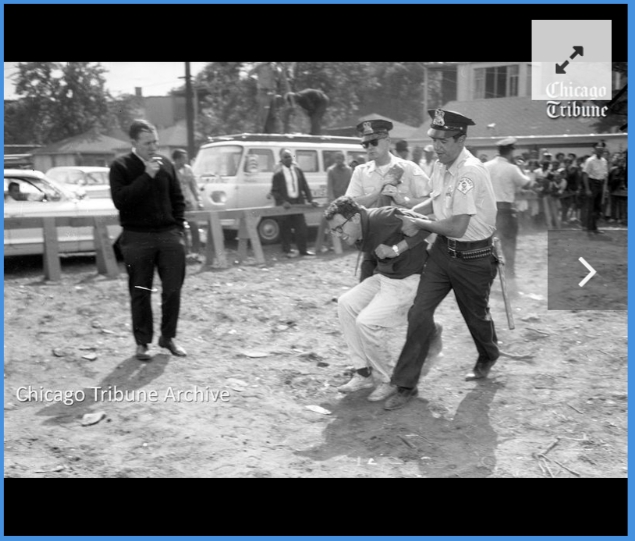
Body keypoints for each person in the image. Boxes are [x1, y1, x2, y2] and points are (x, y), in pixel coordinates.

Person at [384, 108, 499, 411]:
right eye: (434, 139)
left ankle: (488, 354)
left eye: (443, 141)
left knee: (475, 316)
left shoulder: (470, 172)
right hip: (442, 252)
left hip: (474, 256)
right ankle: (405, 384)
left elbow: (458, 226)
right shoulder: (439, 165)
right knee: (419, 312)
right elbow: (435, 203)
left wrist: (418, 223)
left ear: (461, 140)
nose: (436, 146)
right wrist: (411, 212)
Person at [325, 196, 443, 402]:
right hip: (386, 277)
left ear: (355, 218)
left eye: (339, 228)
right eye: (334, 231)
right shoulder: (359, 230)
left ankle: (387, 380)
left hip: (410, 278)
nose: (338, 234)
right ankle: (363, 373)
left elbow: (428, 225)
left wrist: (397, 248)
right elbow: (369, 261)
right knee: (346, 303)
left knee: (366, 322)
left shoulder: (384, 217)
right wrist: (365, 292)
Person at [109, 119, 187, 360]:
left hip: (168, 236)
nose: (153, 148)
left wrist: (178, 229)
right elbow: (121, 200)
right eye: (147, 143)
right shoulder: (120, 166)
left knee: (172, 289)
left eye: (155, 142)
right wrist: (146, 176)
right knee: (141, 290)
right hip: (137, 237)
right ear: (133, 142)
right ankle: (142, 343)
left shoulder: (166, 164)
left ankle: (168, 337)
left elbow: (177, 198)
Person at [344, 119, 431, 282]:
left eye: (374, 142)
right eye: (365, 144)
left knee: (406, 292)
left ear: (387, 141)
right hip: (373, 243)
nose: (370, 148)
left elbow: (430, 201)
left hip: (404, 243)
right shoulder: (361, 172)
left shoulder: (408, 168)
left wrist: (403, 200)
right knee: (366, 289)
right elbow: (350, 206)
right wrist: (377, 193)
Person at [484, 137, 533, 282]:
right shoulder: (512, 168)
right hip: (505, 210)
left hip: (488, 211)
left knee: (488, 244)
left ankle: (490, 274)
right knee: (509, 243)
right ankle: (510, 275)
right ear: (510, 151)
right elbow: (527, 184)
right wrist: (522, 168)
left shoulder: (485, 166)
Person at [270, 148, 319, 257]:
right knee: (285, 229)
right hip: (286, 205)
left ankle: (303, 250)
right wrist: (283, 202)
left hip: (298, 203)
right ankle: (287, 251)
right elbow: (274, 191)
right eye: (285, 157)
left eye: (290, 156)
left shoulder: (298, 171)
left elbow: (305, 187)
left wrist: (311, 200)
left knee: (301, 228)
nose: (288, 159)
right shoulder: (278, 174)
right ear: (281, 159)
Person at [172, 149, 204, 261]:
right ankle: (185, 252)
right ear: (176, 159)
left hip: (189, 202)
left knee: (194, 226)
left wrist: (199, 200)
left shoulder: (188, 169)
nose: (185, 160)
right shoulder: (170, 170)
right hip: (176, 204)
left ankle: (196, 252)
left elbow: (194, 185)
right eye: (183, 158)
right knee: (180, 228)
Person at [320, 151, 353, 251]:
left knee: (346, 222)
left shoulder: (349, 170)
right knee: (333, 223)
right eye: (337, 159)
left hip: (345, 200)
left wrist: (349, 199)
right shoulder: (331, 170)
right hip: (334, 200)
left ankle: (347, 243)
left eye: (340, 158)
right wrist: (332, 201)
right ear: (335, 160)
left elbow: (350, 186)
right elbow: (329, 187)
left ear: (343, 159)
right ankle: (331, 244)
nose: (339, 161)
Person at [581, 141, 609, 236]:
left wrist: (605, 188)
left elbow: (605, 175)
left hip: (601, 184)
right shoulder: (590, 160)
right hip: (592, 184)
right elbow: (585, 175)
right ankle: (589, 228)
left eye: (602, 149)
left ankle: (594, 227)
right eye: (598, 149)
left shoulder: (604, 161)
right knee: (590, 207)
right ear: (595, 150)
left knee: (597, 207)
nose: (600, 151)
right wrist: (587, 189)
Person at [248, 62, 280, 133]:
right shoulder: (259, 65)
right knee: (263, 114)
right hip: (263, 92)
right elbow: (250, 73)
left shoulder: (273, 65)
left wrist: (277, 69)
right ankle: (260, 132)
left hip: (272, 92)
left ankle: (270, 133)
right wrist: (259, 66)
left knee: (272, 115)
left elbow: (278, 76)